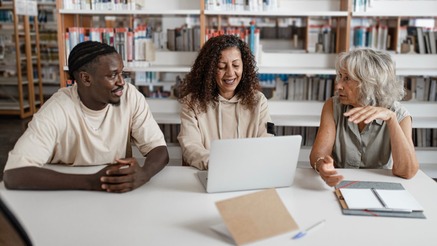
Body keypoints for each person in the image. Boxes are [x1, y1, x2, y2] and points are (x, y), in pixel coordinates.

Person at [3, 41, 169, 193]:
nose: (122, 82)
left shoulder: (130, 96)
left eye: (122, 74)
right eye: (112, 75)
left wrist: (144, 174)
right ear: (86, 78)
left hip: (116, 197)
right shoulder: (57, 108)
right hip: (65, 197)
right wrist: (91, 182)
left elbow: (159, 149)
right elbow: (14, 174)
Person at [310, 48, 419, 187]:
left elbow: (407, 171)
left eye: (347, 78)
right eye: (340, 76)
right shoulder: (333, 106)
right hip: (339, 184)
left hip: (380, 187)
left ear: (370, 83)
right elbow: (318, 154)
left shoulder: (399, 115)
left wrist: (391, 120)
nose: (338, 86)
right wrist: (322, 166)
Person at [177, 34, 275, 170]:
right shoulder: (192, 103)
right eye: (221, 67)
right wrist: (218, 165)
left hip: (249, 173)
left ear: (244, 66)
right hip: (210, 173)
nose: (230, 73)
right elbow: (191, 147)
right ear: (210, 70)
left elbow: (267, 141)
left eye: (236, 65)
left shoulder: (258, 101)